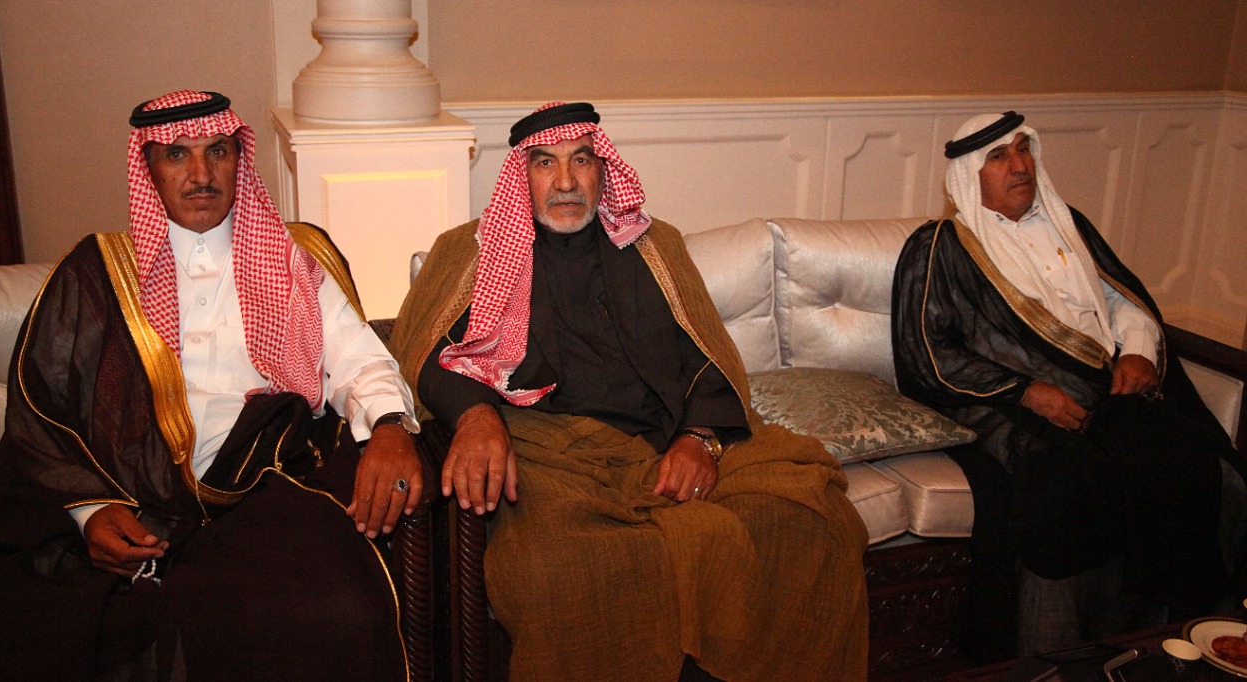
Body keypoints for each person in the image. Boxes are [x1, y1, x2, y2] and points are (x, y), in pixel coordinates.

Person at [389, 102, 868, 681]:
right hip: (549, 457)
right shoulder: (472, 252)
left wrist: (699, 438)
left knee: (806, 510)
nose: (566, 182)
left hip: (663, 440)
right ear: (522, 175)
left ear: (602, 169)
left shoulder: (653, 245)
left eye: (580, 160)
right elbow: (424, 353)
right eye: (545, 163)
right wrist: (476, 417)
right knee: (557, 568)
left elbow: (706, 353)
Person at [0, 90, 426, 681]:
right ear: (149, 169)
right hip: (134, 494)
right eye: (177, 154)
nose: (201, 174)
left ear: (239, 159)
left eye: (218, 152)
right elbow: (42, 405)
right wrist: (91, 509)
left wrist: (390, 426)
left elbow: (359, 360)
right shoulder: (96, 272)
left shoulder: (293, 258)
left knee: (338, 611)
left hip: (261, 489)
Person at [891, 111, 1246, 660]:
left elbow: (1122, 299)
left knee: (1198, 465)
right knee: (1062, 491)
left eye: (1023, 149)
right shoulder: (941, 246)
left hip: (1110, 395)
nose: (1019, 165)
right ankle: (1055, 657)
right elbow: (927, 352)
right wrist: (1026, 391)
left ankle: (1170, 640)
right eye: (998, 157)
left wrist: (1137, 349)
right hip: (1009, 404)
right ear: (968, 175)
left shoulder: (1068, 223)